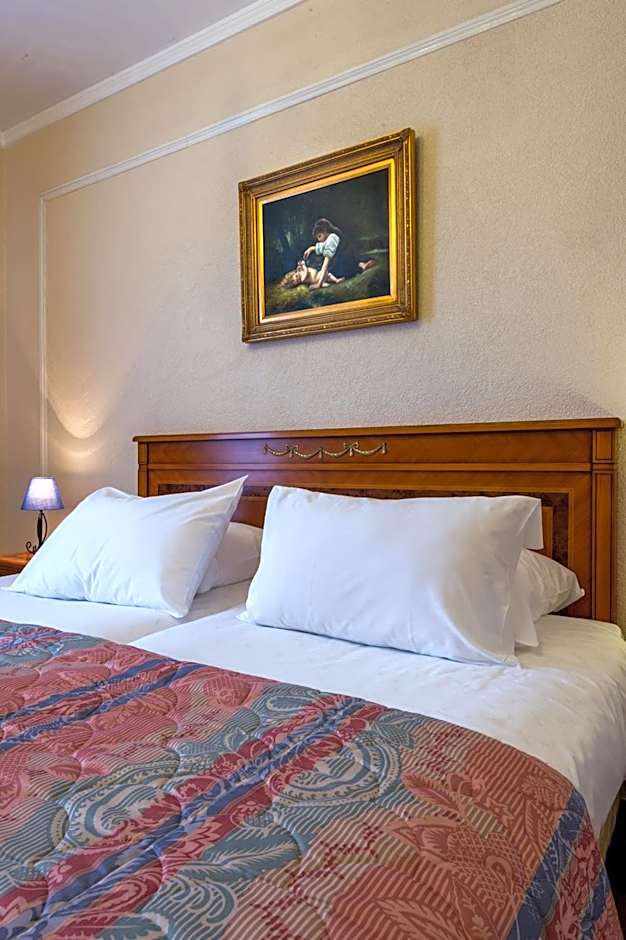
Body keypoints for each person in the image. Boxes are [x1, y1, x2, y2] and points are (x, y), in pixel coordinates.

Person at [303, 218, 375, 289]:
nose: (319, 240)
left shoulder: (331, 240)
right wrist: (311, 248)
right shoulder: (333, 235)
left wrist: (319, 285)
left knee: (328, 271)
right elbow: (323, 246)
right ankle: (362, 265)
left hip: (342, 267)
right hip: (347, 260)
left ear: (325, 231)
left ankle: (361, 266)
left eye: (319, 236)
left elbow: (325, 265)